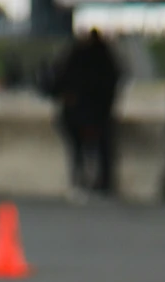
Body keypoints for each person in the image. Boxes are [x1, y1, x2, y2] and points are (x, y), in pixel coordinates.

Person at [52, 28, 122, 196]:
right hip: (96, 114)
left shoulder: (75, 56)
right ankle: (102, 183)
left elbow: (58, 83)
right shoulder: (104, 58)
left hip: (77, 114)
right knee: (100, 149)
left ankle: (80, 180)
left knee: (78, 150)